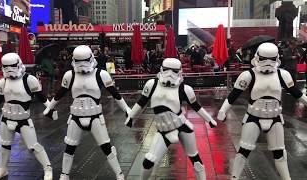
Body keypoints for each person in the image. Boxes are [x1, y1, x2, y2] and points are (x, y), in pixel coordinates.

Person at [217, 43, 307, 180]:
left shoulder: (283, 75)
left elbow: (295, 93)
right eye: (264, 58)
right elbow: (234, 94)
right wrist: (223, 109)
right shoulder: (248, 75)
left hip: (275, 117)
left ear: (277, 58)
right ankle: (234, 178)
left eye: (271, 59)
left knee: (280, 153)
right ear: (257, 57)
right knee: (243, 151)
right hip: (253, 117)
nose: (268, 63)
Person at [43, 45, 131, 180]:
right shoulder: (70, 75)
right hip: (76, 116)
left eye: (84, 60)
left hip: (95, 115)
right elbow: (60, 93)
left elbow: (115, 94)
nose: (82, 64)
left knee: (106, 146)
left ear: (91, 58)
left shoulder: (101, 74)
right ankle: (64, 175)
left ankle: (119, 174)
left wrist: (127, 109)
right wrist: (50, 106)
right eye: (78, 61)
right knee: (70, 147)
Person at [125, 58, 217, 180]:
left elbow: (196, 107)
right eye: (167, 70)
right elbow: (141, 103)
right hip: (163, 130)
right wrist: (131, 117)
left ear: (179, 71)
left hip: (182, 126)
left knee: (195, 159)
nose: (170, 74)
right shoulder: (152, 84)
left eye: (174, 71)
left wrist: (209, 119)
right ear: (162, 69)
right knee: (149, 161)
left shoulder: (185, 89)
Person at [0, 53, 58, 180]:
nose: (9, 69)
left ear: (18, 64)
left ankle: (48, 168)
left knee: (33, 146)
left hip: (23, 119)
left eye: (12, 66)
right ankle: (2, 169)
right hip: (6, 117)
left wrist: (50, 108)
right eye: (6, 66)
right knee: (5, 145)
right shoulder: (2, 82)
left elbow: (41, 96)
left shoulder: (29, 80)